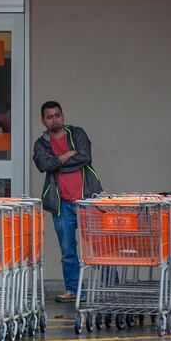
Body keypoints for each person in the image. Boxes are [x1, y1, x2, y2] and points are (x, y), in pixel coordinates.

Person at [32, 101, 103, 303]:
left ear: (63, 116)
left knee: (99, 248)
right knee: (68, 250)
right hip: (61, 203)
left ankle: (109, 288)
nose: (55, 119)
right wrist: (68, 155)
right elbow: (44, 164)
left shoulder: (77, 134)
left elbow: (85, 157)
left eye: (57, 115)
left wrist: (58, 162)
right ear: (43, 121)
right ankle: (73, 290)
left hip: (87, 199)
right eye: (49, 116)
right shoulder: (41, 144)